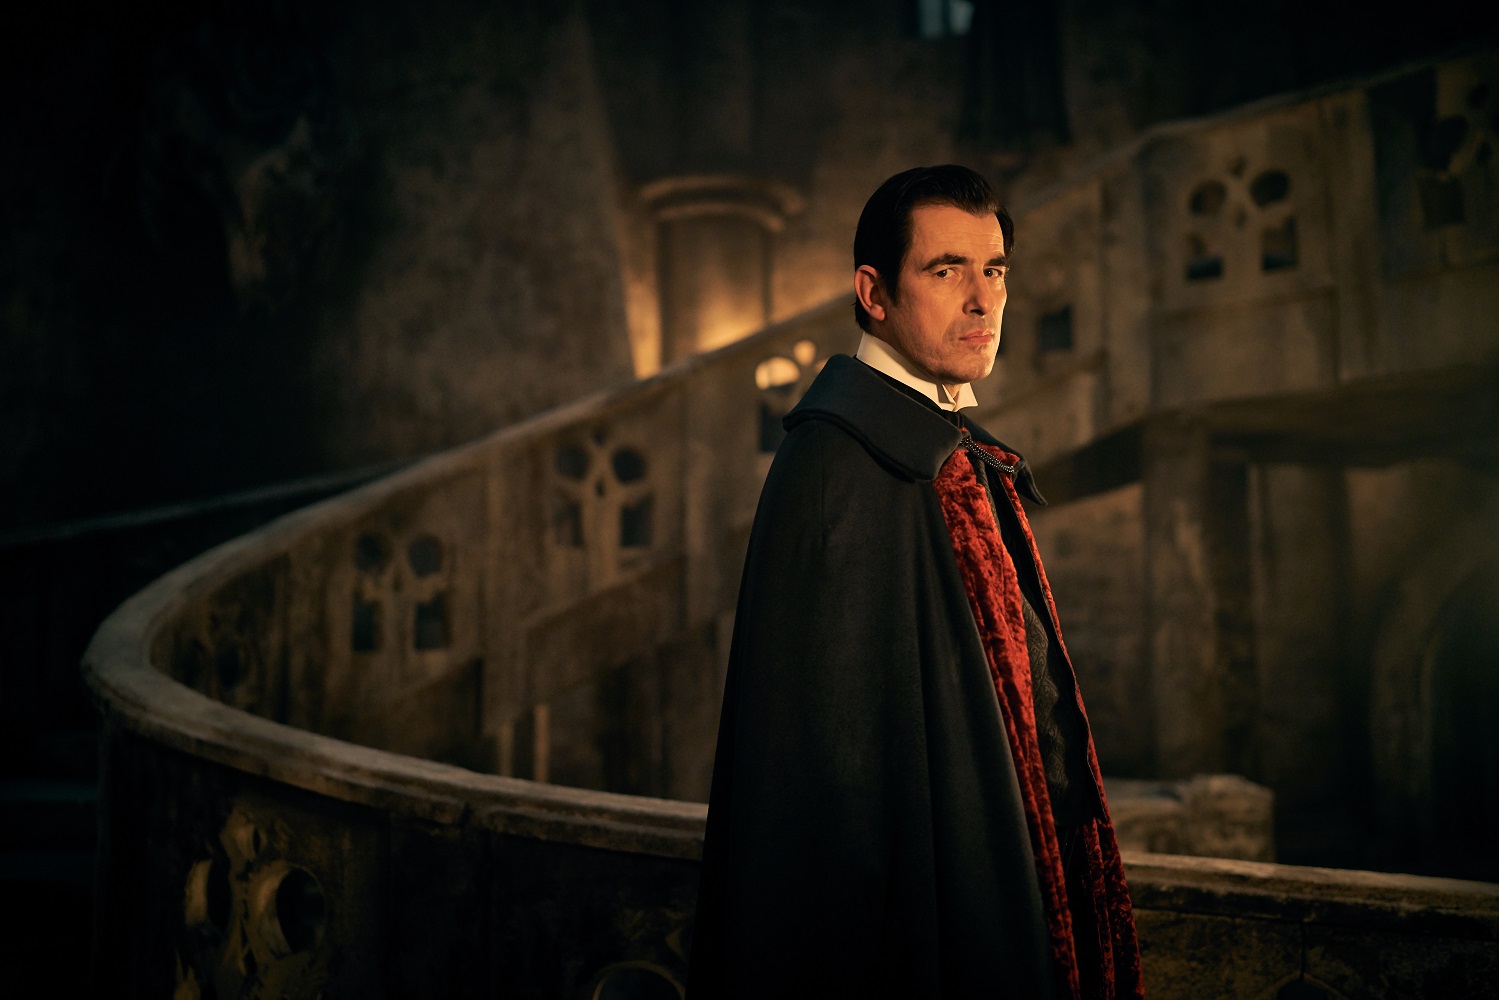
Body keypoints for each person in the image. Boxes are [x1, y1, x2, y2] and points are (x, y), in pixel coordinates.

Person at [687, 165, 1144, 999]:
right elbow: (830, 789)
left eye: (994, 270)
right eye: (945, 270)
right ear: (873, 293)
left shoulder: (948, 448)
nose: (982, 300)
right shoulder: (837, 471)